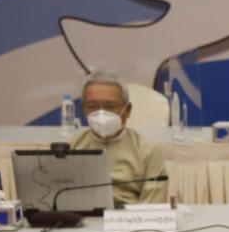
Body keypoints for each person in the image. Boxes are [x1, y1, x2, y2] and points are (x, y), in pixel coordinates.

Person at [70, 72, 166, 204]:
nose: (101, 113)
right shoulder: (72, 147)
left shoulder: (148, 151)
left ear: (127, 110)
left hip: (129, 215)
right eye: (92, 106)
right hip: (81, 215)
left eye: (110, 106)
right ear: (83, 109)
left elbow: (152, 206)